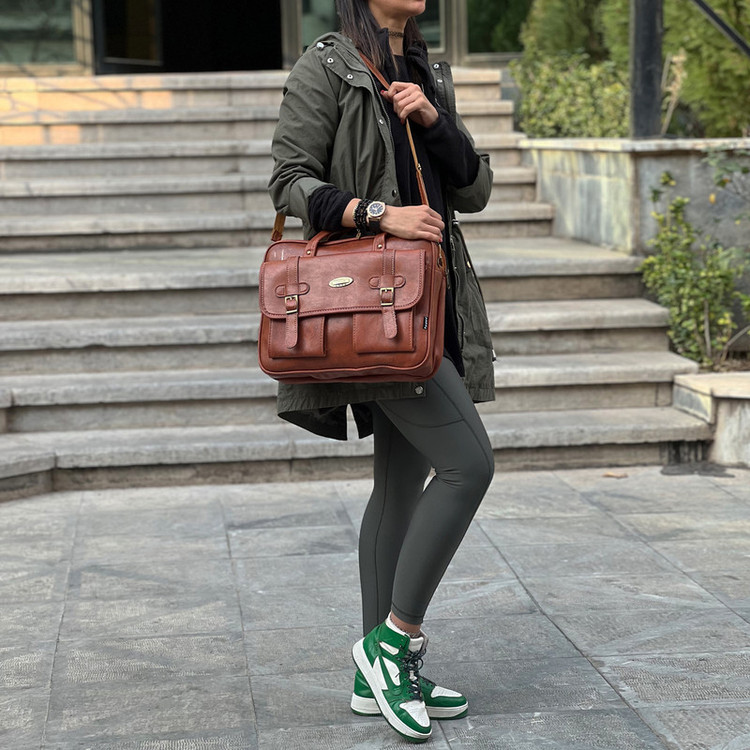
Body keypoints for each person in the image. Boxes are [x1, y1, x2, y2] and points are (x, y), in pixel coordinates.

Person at [268, 0, 496, 742]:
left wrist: (434, 120)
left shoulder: (426, 71)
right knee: (469, 465)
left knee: (399, 488)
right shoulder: (328, 65)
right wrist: (376, 214)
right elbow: (289, 181)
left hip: (433, 304)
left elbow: (474, 190)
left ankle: (376, 677)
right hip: (375, 310)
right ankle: (395, 641)